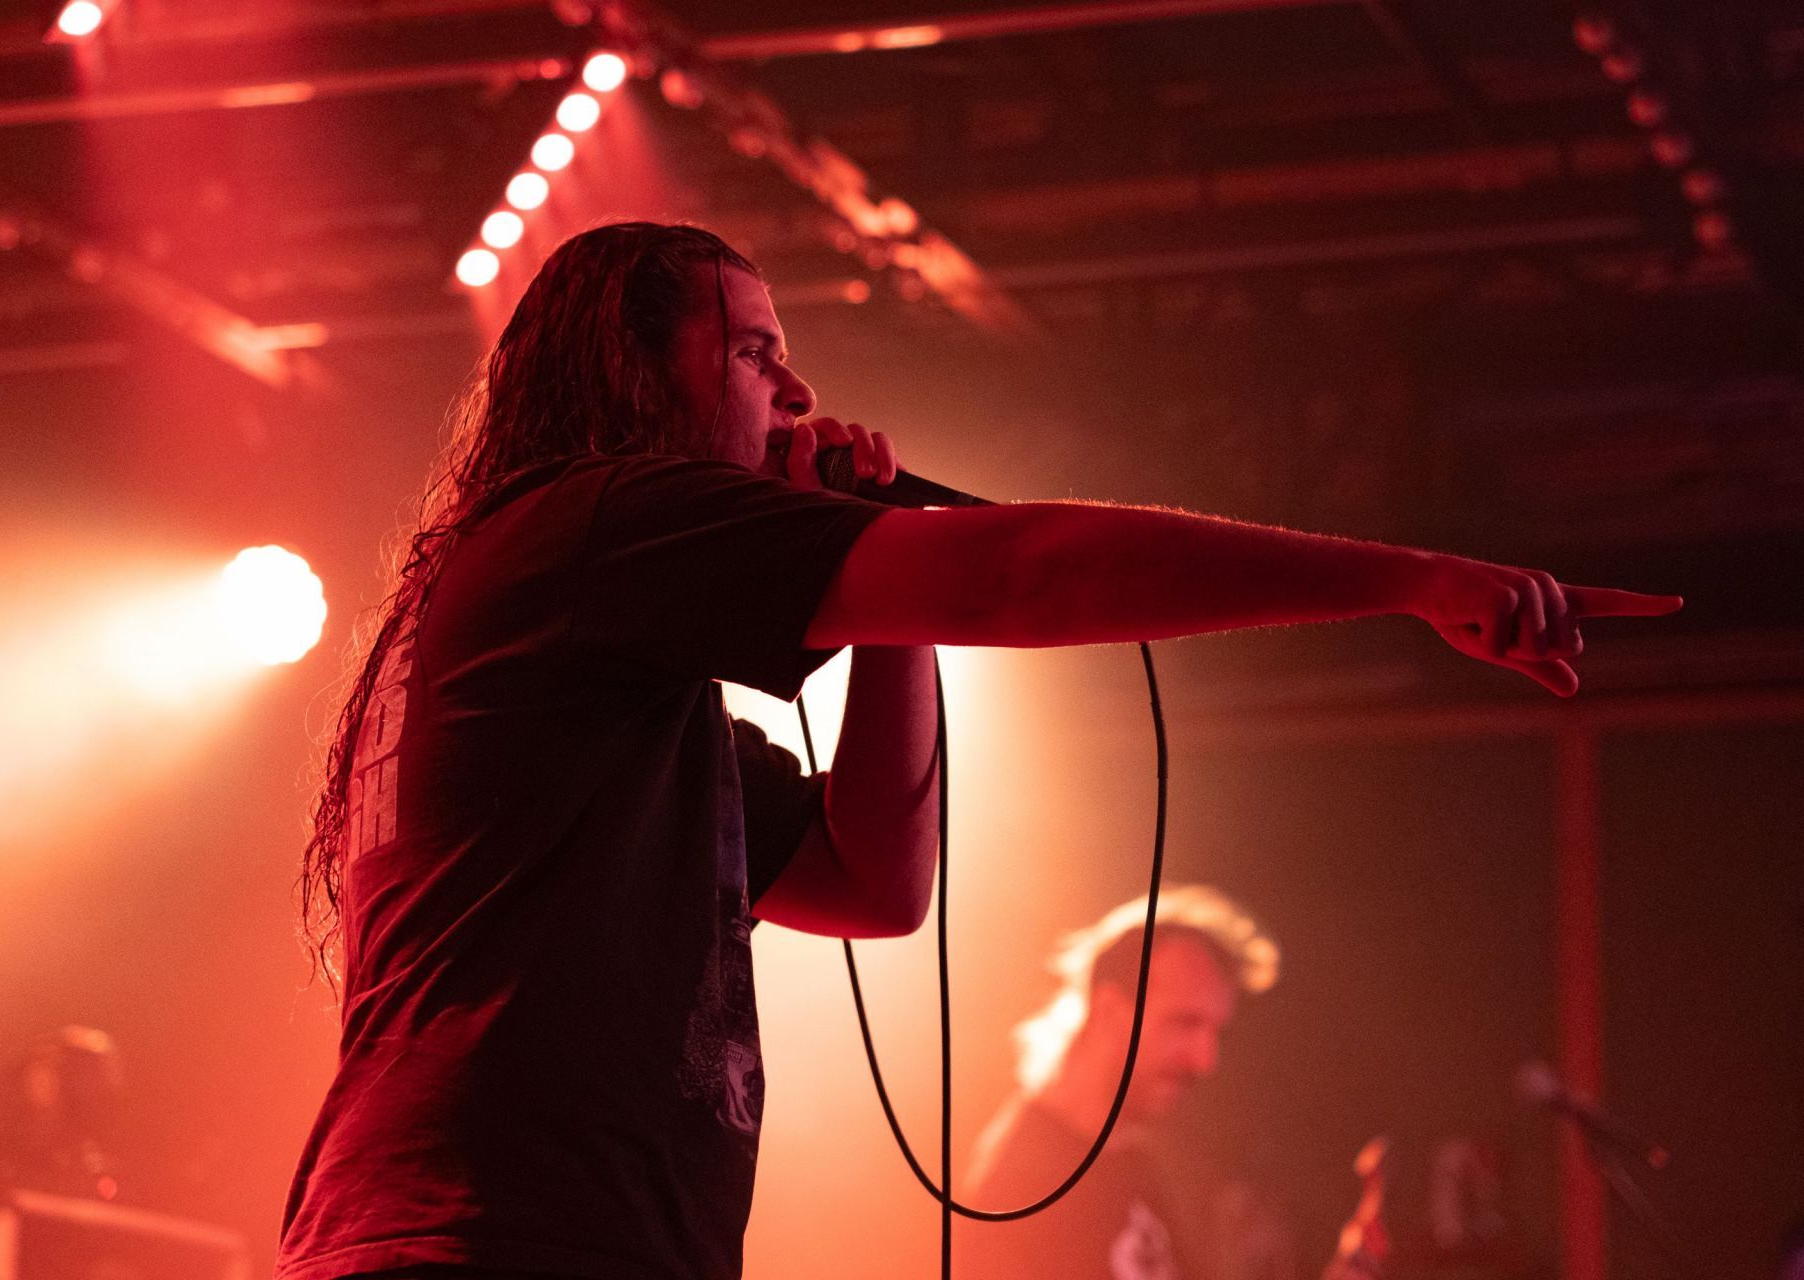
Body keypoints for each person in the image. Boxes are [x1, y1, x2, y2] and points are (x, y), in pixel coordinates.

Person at [276, 221, 1679, 1280]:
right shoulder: (594, 521)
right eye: (752, 350)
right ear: (630, 367)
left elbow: (874, 882)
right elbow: (1024, 574)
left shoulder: (589, 647)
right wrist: (1406, 578)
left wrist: (892, 569)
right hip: (495, 1242)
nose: (793, 388)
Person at [958, 889, 1379, 1280]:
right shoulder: (1021, 1187)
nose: (1205, 1061)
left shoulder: (1128, 1163)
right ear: (1109, 1011)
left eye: (1216, 1032)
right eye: (1184, 1023)